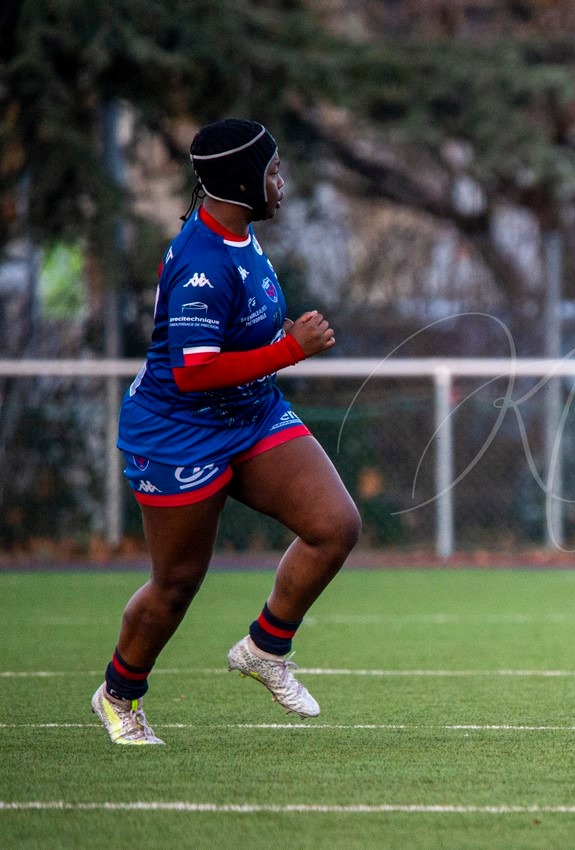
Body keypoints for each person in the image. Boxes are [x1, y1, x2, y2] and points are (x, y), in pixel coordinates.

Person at [91, 119, 361, 745]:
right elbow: (192, 373)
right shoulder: (203, 263)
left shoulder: (238, 236)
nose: (281, 183)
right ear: (243, 184)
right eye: (271, 173)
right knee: (177, 585)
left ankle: (265, 648)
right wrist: (290, 349)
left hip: (251, 414)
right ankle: (118, 694)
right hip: (178, 432)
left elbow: (231, 340)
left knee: (334, 526)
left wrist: (273, 341)